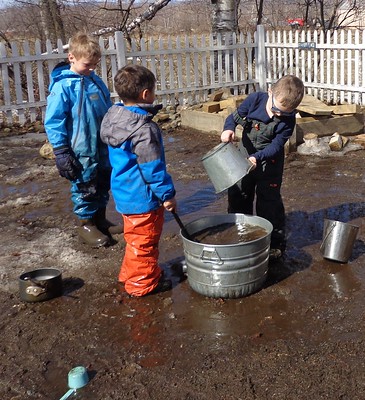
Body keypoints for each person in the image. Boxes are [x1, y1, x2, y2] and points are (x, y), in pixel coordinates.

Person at [100, 64, 176, 296]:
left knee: (135, 239)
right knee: (145, 242)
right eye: (153, 91)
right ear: (146, 95)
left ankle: (129, 274)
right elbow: (152, 169)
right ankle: (141, 284)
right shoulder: (144, 129)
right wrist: (167, 194)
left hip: (124, 192)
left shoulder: (115, 116)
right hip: (143, 197)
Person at [45, 32, 123, 248]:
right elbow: (54, 121)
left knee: (102, 181)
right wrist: (61, 151)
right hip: (80, 149)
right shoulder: (63, 87)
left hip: (102, 144)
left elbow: (106, 109)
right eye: (87, 65)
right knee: (85, 184)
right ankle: (85, 224)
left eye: (95, 65)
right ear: (72, 58)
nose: (91, 69)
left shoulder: (95, 81)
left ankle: (100, 219)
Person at [220, 75, 304, 260]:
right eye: (276, 110)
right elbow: (234, 117)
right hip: (243, 158)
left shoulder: (287, 121)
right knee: (239, 195)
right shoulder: (255, 100)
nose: (278, 115)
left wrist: (257, 157)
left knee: (269, 202)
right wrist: (228, 129)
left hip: (270, 164)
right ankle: (241, 233)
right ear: (270, 93)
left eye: (286, 113)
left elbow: (276, 146)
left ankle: (275, 243)